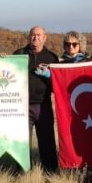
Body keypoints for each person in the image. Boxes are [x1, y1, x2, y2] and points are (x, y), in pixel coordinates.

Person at [15, 26, 59, 173]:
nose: (35, 37)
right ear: (29, 37)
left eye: (39, 35)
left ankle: (50, 171)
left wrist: (49, 76)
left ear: (45, 38)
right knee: (22, 142)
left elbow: (57, 85)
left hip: (43, 105)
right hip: (22, 106)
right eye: (33, 35)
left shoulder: (52, 57)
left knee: (47, 141)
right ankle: (21, 172)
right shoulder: (19, 54)